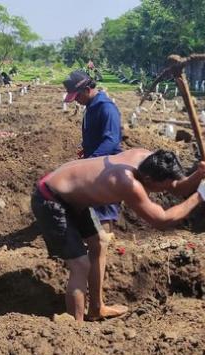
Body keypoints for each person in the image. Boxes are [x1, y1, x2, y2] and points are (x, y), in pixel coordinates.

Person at [30, 148, 205, 322]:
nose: (166, 191)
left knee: (99, 243)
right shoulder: (128, 183)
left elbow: (176, 186)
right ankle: (74, 329)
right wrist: (200, 195)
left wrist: (198, 175)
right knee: (80, 264)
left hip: (72, 196)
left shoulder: (149, 160)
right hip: (50, 198)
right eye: (162, 188)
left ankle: (96, 308)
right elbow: (162, 221)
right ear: (148, 180)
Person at [63, 70, 122, 256]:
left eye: (78, 96)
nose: (77, 100)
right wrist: (86, 150)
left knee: (103, 205)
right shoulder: (91, 107)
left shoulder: (106, 108)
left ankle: (105, 247)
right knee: (95, 204)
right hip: (96, 162)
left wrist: (90, 161)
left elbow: (111, 140)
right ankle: (100, 244)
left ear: (88, 89)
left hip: (107, 166)